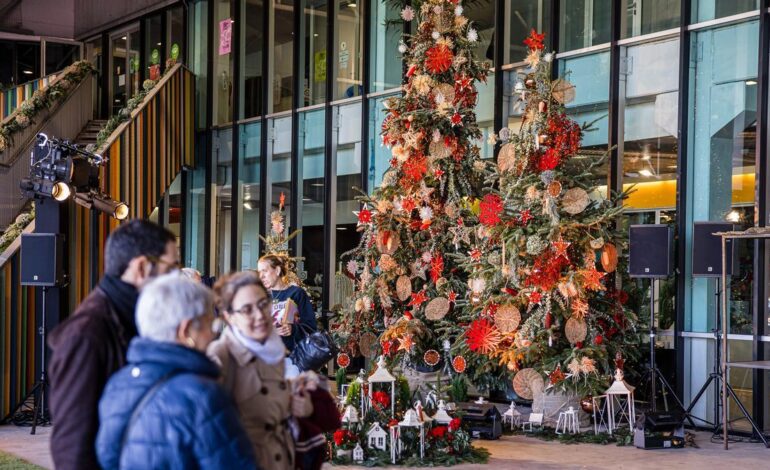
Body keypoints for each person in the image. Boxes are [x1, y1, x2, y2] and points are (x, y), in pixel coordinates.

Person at [47, 219, 178, 470]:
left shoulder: (135, 316)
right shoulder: (86, 334)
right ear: (142, 267)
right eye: (170, 268)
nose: (175, 279)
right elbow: (72, 448)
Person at [96, 274, 258, 469]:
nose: (213, 333)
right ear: (186, 331)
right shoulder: (203, 396)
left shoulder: (118, 383)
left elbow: (107, 458)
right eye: (210, 323)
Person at [208, 271, 312, 470]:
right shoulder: (220, 357)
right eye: (247, 309)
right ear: (229, 316)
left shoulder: (273, 352)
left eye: (263, 304)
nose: (259, 315)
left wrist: (297, 406)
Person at [256, 254, 317, 353]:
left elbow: (311, 327)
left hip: (293, 356)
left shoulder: (296, 293)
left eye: (265, 271)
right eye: (259, 272)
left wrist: (293, 329)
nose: (261, 276)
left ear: (277, 270)